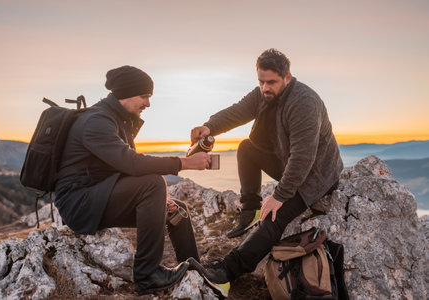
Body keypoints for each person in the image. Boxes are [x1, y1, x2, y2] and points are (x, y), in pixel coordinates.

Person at [188, 49, 343, 297]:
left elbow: (303, 158)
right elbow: (238, 111)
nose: (265, 87)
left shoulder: (305, 102)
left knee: (275, 217)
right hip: (289, 161)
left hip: (315, 175)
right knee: (246, 149)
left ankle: (228, 272)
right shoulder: (264, 93)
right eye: (261, 81)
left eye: (271, 82)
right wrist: (209, 126)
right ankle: (250, 210)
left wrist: (280, 196)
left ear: (288, 77)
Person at [54, 65, 211, 295]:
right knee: (154, 184)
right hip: (79, 204)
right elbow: (133, 164)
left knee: (177, 210)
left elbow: (127, 168)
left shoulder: (118, 120)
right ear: (126, 93)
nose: (148, 103)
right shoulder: (96, 122)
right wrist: (185, 163)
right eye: (144, 96)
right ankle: (148, 275)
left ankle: (195, 271)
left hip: (98, 194)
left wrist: (160, 203)